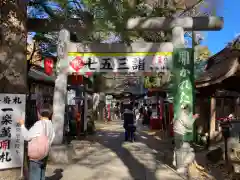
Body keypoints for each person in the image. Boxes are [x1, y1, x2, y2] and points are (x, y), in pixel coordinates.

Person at [18, 109, 55, 180]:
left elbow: (27, 136)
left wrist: (22, 125)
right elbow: (51, 138)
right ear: (51, 114)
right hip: (45, 153)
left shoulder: (39, 124)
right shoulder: (51, 125)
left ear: (39, 114)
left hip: (36, 155)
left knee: (35, 175)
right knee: (42, 174)